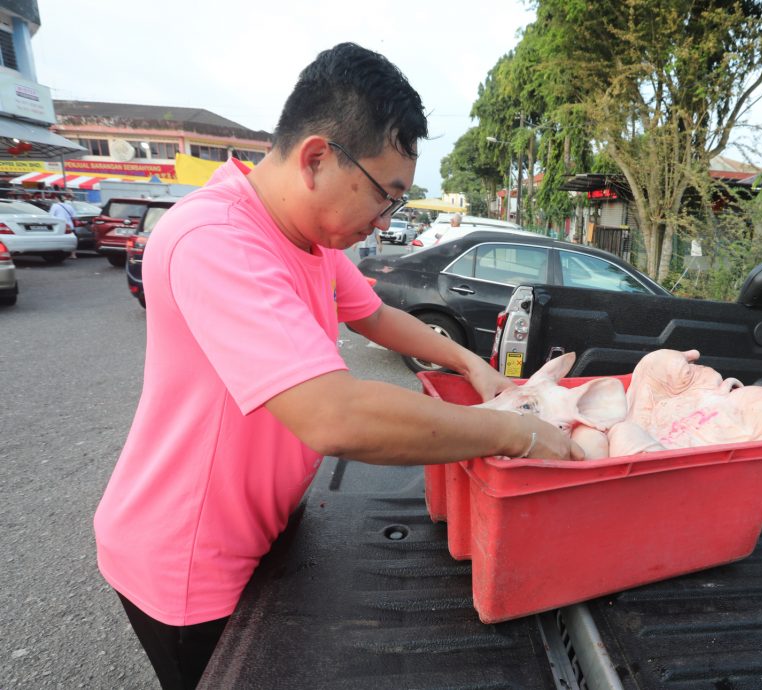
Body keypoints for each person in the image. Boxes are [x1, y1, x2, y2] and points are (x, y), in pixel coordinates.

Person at [93, 43, 583, 690]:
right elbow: (333, 415)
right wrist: (516, 431)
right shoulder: (213, 239)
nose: (385, 220)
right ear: (317, 157)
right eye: (386, 195)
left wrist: (473, 365)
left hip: (261, 527)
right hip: (187, 558)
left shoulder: (311, 240)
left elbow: (375, 315)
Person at [49, 193, 78, 258]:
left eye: (55, 198)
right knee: (72, 239)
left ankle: (59, 254)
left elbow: (51, 216)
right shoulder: (69, 206)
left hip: (59, 225)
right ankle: (73, 254)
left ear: (57, 198)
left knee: (60, 239)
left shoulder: (55, 206)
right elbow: (74, 217)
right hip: (69, 225)